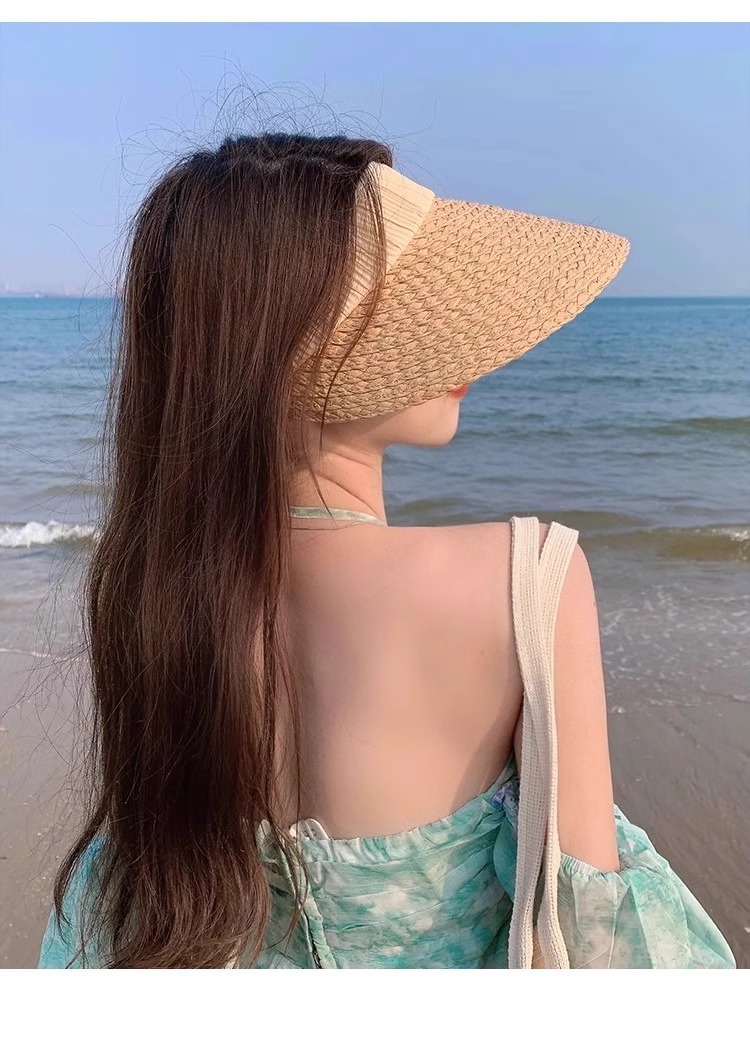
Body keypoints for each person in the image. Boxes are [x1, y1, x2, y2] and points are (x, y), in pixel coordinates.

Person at [38, 132, 735, 969]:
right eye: (409, 308)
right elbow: (591, 925)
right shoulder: (526, 578)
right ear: (298, 346)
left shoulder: (153, 595)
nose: (461, 343)